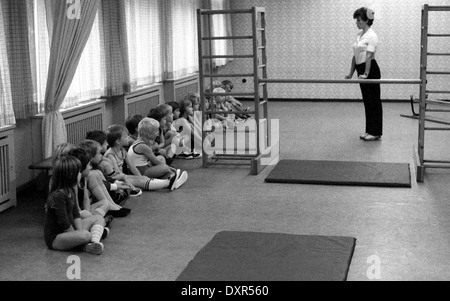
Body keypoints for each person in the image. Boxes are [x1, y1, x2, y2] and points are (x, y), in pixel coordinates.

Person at [44, 155, 107, 255]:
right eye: (78, 172)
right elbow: (64, 223)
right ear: (71, 175)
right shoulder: (59, 195)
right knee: (85, 235)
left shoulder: (71, 191)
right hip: (56, 238)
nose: (80, 174)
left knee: (99, 218)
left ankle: (94, 242)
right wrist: (78, 234)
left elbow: (76, 214)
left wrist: (79, 231)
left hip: (69, 230)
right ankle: (88, 241)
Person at [345, 7, 382, 141]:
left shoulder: (372, 35)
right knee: (367, 102)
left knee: (374, 102)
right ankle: (369, 130)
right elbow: (355, 56)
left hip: (371, 70)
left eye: (359, 20)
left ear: (366, 20)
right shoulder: (359, 35)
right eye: (357, 20)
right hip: (361, 70)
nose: (357, 22)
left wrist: (366, 73)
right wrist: (350, 73)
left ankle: (376, 132)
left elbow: (368, 56)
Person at [127, 117, 188, 190]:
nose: (158, 134)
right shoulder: (143, 146)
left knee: (161, 158)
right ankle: (171, 177)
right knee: (164, 167)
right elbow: (155, 161)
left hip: (143, 167)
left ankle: (170, 178)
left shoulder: (140, 143)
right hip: (141, 172)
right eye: (156, 131)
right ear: (149, 134)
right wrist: (169, 168)